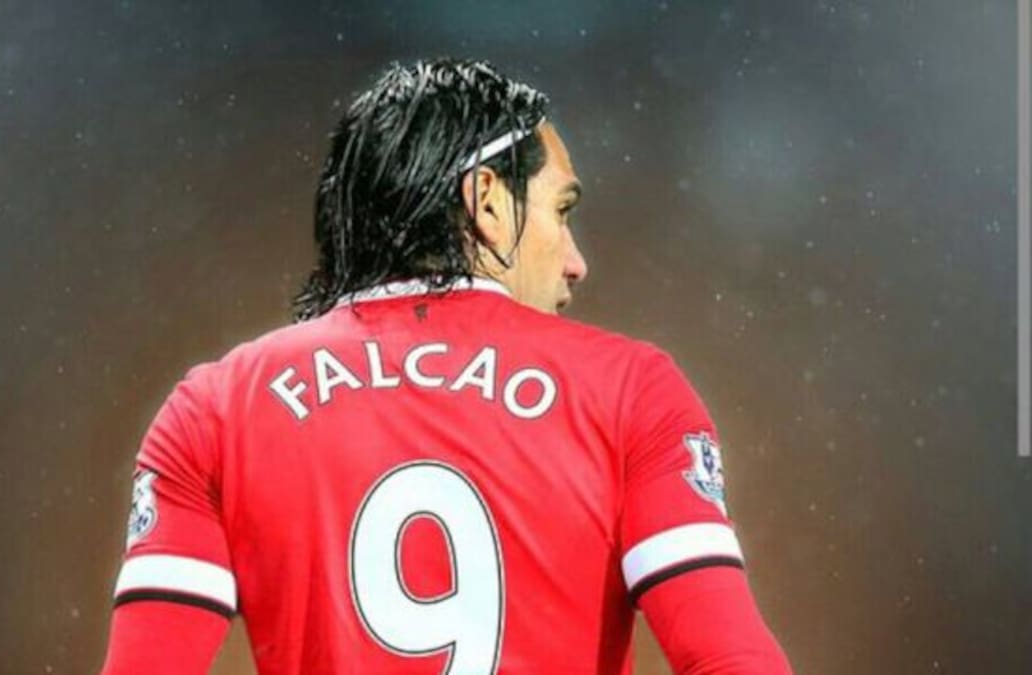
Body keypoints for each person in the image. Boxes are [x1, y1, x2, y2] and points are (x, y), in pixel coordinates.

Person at [99, 58, 792, 675]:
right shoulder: (630, 389)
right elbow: (729, 660)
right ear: (486, 200)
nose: (576, 262)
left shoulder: (215, 409)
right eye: (561, 210)